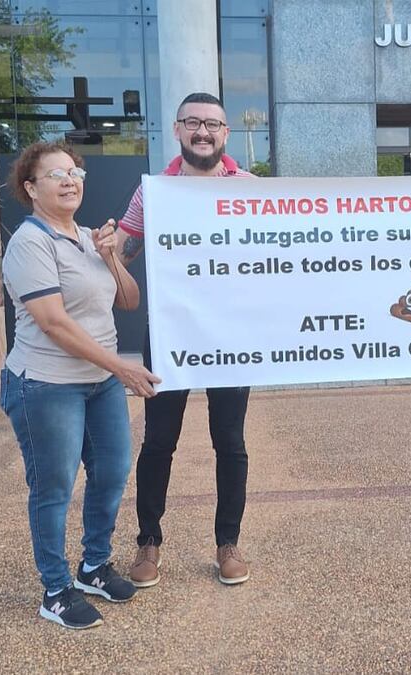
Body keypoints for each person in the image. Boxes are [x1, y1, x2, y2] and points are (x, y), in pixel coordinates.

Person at [1, 142, 161, 629]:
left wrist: (111, 258)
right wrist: (122, 367)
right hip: (47, 385)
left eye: (75, 172)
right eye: (56, 174)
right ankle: (55, 589)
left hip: (99, 384)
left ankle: (94, 565)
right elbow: (53, 323)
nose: (70, 180)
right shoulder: (31, 243)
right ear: (31, 188)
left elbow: (129, 302)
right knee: (52, 487)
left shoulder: (88, 238)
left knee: (112, 472)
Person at [115, 92, 254, 587]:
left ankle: (228, 543)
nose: (203, 132)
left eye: (212, 124)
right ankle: (148, 542)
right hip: (172, 334)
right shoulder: (153, 190)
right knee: (158, 441)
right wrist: (103, 250)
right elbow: (125, 250)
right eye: (192, 123)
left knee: (231, 443)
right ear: (176, 130)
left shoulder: (250, 188)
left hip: (232, 336)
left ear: (225, 134)